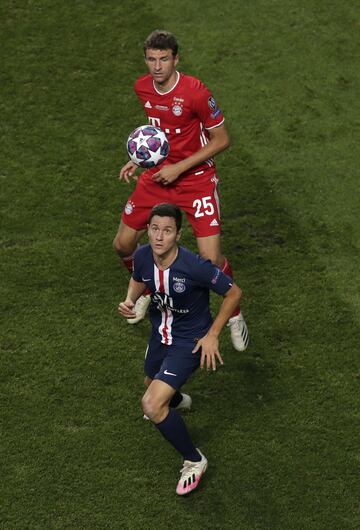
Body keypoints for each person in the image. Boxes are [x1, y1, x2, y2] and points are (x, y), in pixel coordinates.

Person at [114, 29, 249, 352]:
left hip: (196, 179)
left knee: (210, 260)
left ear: (176, 59)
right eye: (151, 59)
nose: (157, 66)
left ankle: (236, 315)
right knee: (123, 244)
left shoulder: (196, 92)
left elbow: (221, 140)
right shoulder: (142, 87)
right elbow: (157, 132)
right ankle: (149, 289)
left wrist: (180, 166)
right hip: (157, 176)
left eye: (163, 59)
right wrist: (138, 158)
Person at [118, 203, 243, 495]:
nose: (159, 237)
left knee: (151, 404)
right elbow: (138, 279)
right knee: (150, 383)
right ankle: (178, 401)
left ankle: (194, 459)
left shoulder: (194, 266)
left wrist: (213, 335)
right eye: (154, 229)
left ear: (178, 234)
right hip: (160, 335)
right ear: (147, 230)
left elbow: (233, 292)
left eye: (167, 231)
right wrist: (129, 300)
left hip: (190, 341)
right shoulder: (143, 255)